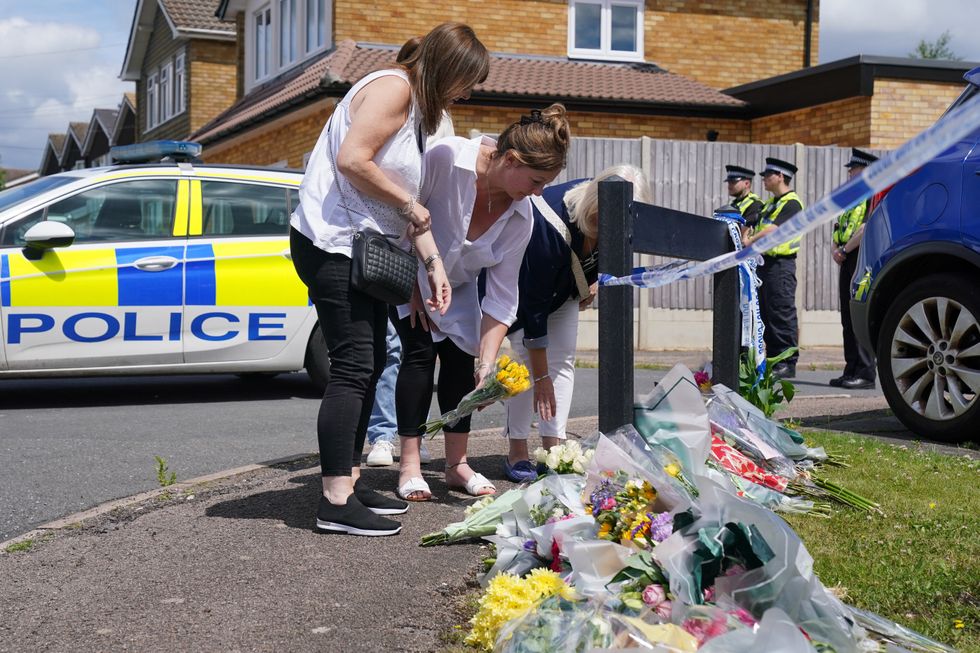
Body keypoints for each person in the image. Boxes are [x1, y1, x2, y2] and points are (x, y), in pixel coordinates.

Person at [289, 22, 490, 536]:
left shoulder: (421, 114)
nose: (468, 93)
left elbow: (405, 209)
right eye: (466, 82)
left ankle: (349, 483)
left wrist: (433, 264)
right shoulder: (393, 87)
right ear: (447, 70)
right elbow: (352, 160)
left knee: (373, 360)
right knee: (355, 364)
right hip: (331, 243)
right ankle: (334, 499)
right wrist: (408, 203)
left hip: (365, 249)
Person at [394, 104, 571, 501]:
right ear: (511, 159)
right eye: (536, 180)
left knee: (462, 365)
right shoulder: (446, 160)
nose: (539, 192)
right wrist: (409, 287)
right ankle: (410, 464)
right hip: (410, 271)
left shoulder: (522, 217)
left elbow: (503, 296)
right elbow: (400, 214)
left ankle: (456, 466)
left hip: (458, 289)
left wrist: (486, 361)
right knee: (420, 356)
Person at [502, 165, 652, 482]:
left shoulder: (625, 215)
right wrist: (541, 376)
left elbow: (615, 257)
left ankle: (552, 449)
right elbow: (534, 307)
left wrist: (593, 281)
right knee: (526, 367)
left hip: (564, 293)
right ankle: (517, 449)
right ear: (591, 205)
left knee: (564, 362)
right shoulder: (550, 220)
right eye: (599, 220)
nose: (603, 227)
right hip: (522, 292)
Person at [365, 36, 456, 469]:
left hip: (399, 248)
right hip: (366, 247)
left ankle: (358, 466)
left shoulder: (434, 123)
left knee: (386, 352)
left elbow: (418, 206)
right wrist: (416, 278)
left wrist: (428, 268)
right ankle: (377, 441)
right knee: (374, 354)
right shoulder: (394, 93)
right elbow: (401, 196)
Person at [743, 157, 804, 380]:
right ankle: (774, 359)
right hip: (765, 264)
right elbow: (757, 226)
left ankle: (787, 362)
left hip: (781, 265)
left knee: (781, 313)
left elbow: (773, 230)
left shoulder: (792, 203)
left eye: (768, 176)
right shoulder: (770, 204)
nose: (764, 180)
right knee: (767, 315)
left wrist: (751, 240)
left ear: (780, 176)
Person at [830, 148, 878, 389]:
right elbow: (840, 224)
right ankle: (851, 369)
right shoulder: (854, 197)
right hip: (846, 256)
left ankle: (866, 373)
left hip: (860, 255)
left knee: (859, 314)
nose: (850, 172)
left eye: (854, 168)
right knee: (847, 318)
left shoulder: (873, 194)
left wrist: (845, 250)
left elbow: (865, 227)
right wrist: (835, 247)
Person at [724, 164, 764, 239]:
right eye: (729, 182)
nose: (729, 186)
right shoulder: (734, 203)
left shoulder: (755, 205)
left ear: (747, 183)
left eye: (733, 182)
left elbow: (743, 234)